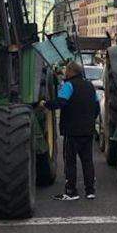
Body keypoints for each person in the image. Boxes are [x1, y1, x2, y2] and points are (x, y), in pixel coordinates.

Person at [42, 60, 99, 201]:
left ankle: (71, 191)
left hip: (72, 131)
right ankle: (90, 191)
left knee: (70, 162)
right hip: (88, 130)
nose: (65, 73)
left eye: (67, 70)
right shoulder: (90, 86)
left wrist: (45, 104)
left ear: (71, 72)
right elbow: (96, 107)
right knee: (87, 161)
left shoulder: (69, 85)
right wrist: (90, 120)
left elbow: (61, 102)